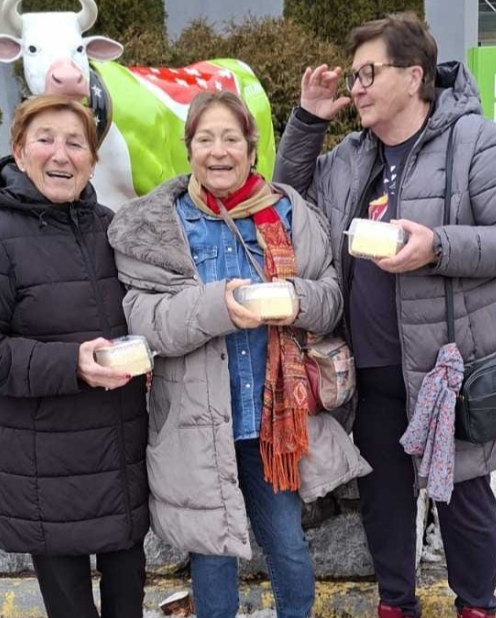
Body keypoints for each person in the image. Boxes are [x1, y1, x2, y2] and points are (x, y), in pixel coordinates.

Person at [274, 13, 496, 618]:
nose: (358, 87)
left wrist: (438, 246)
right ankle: (396, 604)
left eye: (368, 73)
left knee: (464, 499)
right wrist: (308, 121)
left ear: (414, 76)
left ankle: (476, 606)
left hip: (452, 370)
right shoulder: (352, 155)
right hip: (374, 370)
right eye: (355, 75)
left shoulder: (474, 140)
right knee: (383, 499)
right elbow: (285, 204)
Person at [106, 90, 368, 618]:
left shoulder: (291, 214)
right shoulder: (160, 226)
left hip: (271, 425)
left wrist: (295, 299)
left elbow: (331, 298)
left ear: (251, 149)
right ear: (189, 150)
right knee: (211, 557)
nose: (218, 151)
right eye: (205, 139)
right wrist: (215, 308)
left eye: (231, 138)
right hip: (198, 425)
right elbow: (146, 322)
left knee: (288, 546)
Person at [0, 95, 149, 618]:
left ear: (93, 159)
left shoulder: (109, 228)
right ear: (19, 150)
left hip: (119, 456)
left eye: (76, 143)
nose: (61, 154)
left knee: (128, 601)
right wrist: (70, 364)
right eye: (45, 139)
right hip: (44, 469)